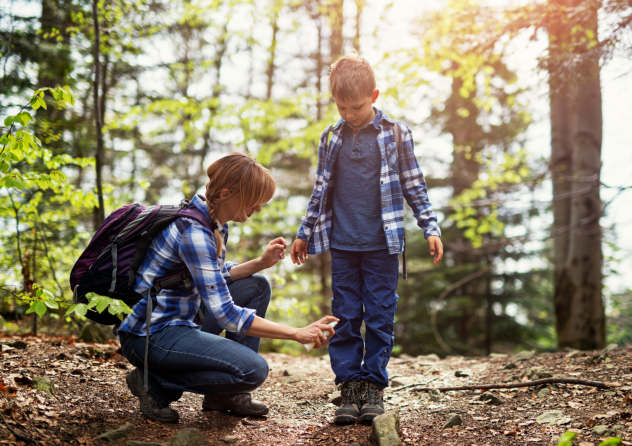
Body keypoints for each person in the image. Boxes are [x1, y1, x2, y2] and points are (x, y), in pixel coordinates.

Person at [117, 153, 338, 424]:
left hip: (181, 320)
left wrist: (260, 263)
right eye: (255, 200)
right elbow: (226, 314)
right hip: (151, 335)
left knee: (256, 286)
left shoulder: (212, 223)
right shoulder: (195, 232)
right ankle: (152, 382)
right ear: (226, 193)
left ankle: (224, 396)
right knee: (253, 371)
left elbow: (215, 278)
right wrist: (296, 333)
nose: (258, 208)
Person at [290, 53, 444, 425]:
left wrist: (430, 226)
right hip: (342, 245)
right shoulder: (331, 137)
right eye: (341, 106)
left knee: (379, 316)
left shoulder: (395, 134)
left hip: (383, 247)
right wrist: (304, 233)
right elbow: (320, 190)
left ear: (374, 95)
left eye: (356, 106)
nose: (349, 113)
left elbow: (414, 184)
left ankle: (373, 385)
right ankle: (349, 385)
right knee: (344, 315)